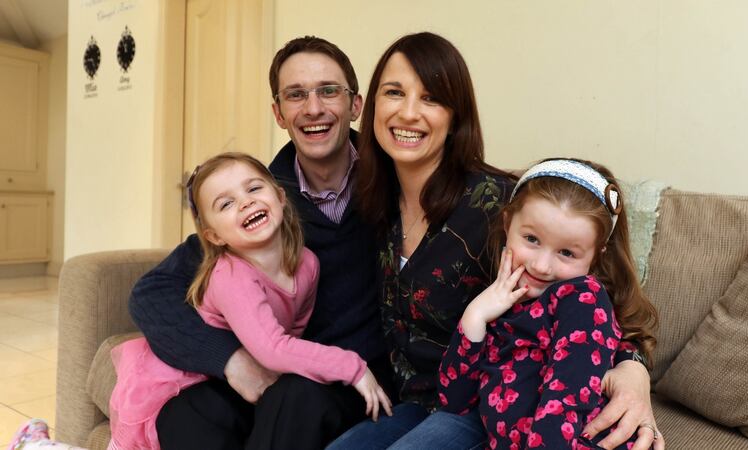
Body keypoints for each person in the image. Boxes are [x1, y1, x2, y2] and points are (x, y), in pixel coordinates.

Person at [327, 32, 662, 450]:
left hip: (487, 408)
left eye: (430, 98)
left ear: (455, 116)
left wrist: (634, 371)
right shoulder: (371, 203)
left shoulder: (502, 207)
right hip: (419, 399)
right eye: (394, 92)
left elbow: (593, 300)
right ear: (372, 104)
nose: (408, 112)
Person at [128, 36, 394, 450]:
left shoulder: (395, 183)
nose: (313, 108)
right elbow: (151, 294)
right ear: (278, 113)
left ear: (355, 105)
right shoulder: (260, 203)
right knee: (185, 413)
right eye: (295, 95)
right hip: (275, 366)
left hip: (350, 377)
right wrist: (232, 361)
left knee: (295, 399)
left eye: (329, 91)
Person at [108, 153, 392, 450]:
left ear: (281, 197)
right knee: (186, 417)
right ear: (214, 235)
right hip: (195, 375)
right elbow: (273, 348)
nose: (245, 202)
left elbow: (291, 331)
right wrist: (351, 367)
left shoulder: (307, 264)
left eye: (254, 189)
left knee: (291, 398)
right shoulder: (232, 276)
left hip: (264, 369)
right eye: (226, 203)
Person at [437, 158, 659, 449]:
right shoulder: (502, 303)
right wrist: (476, 316)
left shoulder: (582, 299)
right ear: (507, 224)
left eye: (567, 252)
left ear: (596, 255)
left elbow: (564, 401)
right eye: (531, 239)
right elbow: (454, 401)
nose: (542, 266)